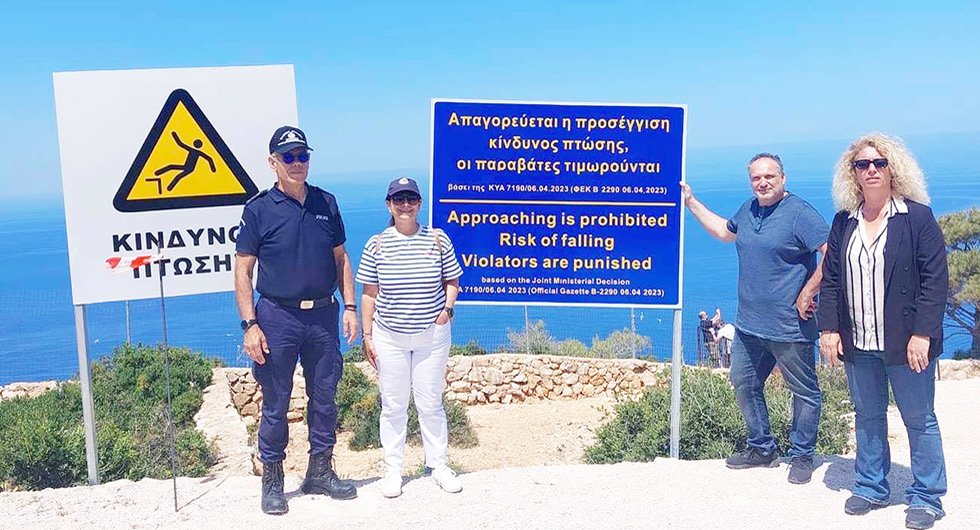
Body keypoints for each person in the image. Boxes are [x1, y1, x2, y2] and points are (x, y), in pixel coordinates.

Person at [817, 134, 948, 530]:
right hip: (858, 340)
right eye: (862, 164)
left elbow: (935, 280)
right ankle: (871, 485)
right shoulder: (844, 221)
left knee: (919, 418)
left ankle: (927, 496)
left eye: (879, 162)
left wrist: (923, 334)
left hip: (906, 342)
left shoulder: (916, 217)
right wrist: (828, 329)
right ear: (853, 173)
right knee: (867, 416)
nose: (871, 169)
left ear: (894, 168)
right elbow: (831, 279)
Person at [681, 153, 828, 485]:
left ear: (783, 178)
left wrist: (809, 291)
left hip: (789, 326)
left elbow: (831, 252)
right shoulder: (748, 209)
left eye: (769, 176)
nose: (763, 183)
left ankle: (802, 455)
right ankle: (762, 448)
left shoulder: (800, 213)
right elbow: (724, 231)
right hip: (748, 325)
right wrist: (690, 202)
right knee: (744, 383)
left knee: (804, 392)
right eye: (756, 178)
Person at [234, 125, 359, 514]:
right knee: (276, 400)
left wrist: (350, 307)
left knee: (325, 396)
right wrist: (250, 325)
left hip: (323, 315)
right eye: (288, 157)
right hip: (277, 316)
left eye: (302, 155)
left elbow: (341, 258)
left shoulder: (326, 202)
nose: (297, 163)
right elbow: (243, 270)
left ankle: (320, 472)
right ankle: (273, 482)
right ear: (273, 162)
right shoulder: (258, 209)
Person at [356, 176, 464, 499]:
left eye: (411, 199)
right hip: (389, 337)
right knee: (393, 405)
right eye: (399, 199)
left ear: (419, 203)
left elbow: (452, 281)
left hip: (432, 336)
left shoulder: (437, 239)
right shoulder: (376, 245)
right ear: (389, 205)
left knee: (431, 402)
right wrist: (367, 336)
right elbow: (369, 294)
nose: (405, 205)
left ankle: (439, 465)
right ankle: (393, 470)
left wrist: (446, 310)